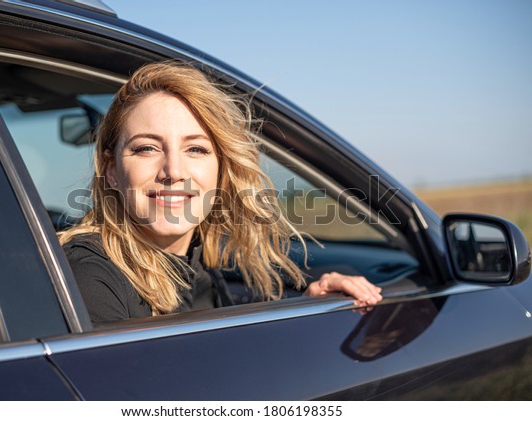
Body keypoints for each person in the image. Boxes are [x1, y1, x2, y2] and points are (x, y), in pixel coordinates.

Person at [60, 61, 382, 323]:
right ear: (112, 171)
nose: (173, 172)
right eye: (146, 148)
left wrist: (309, 309)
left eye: (196, 149)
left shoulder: (196, 262)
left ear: (221, 170)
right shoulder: (90, 275)